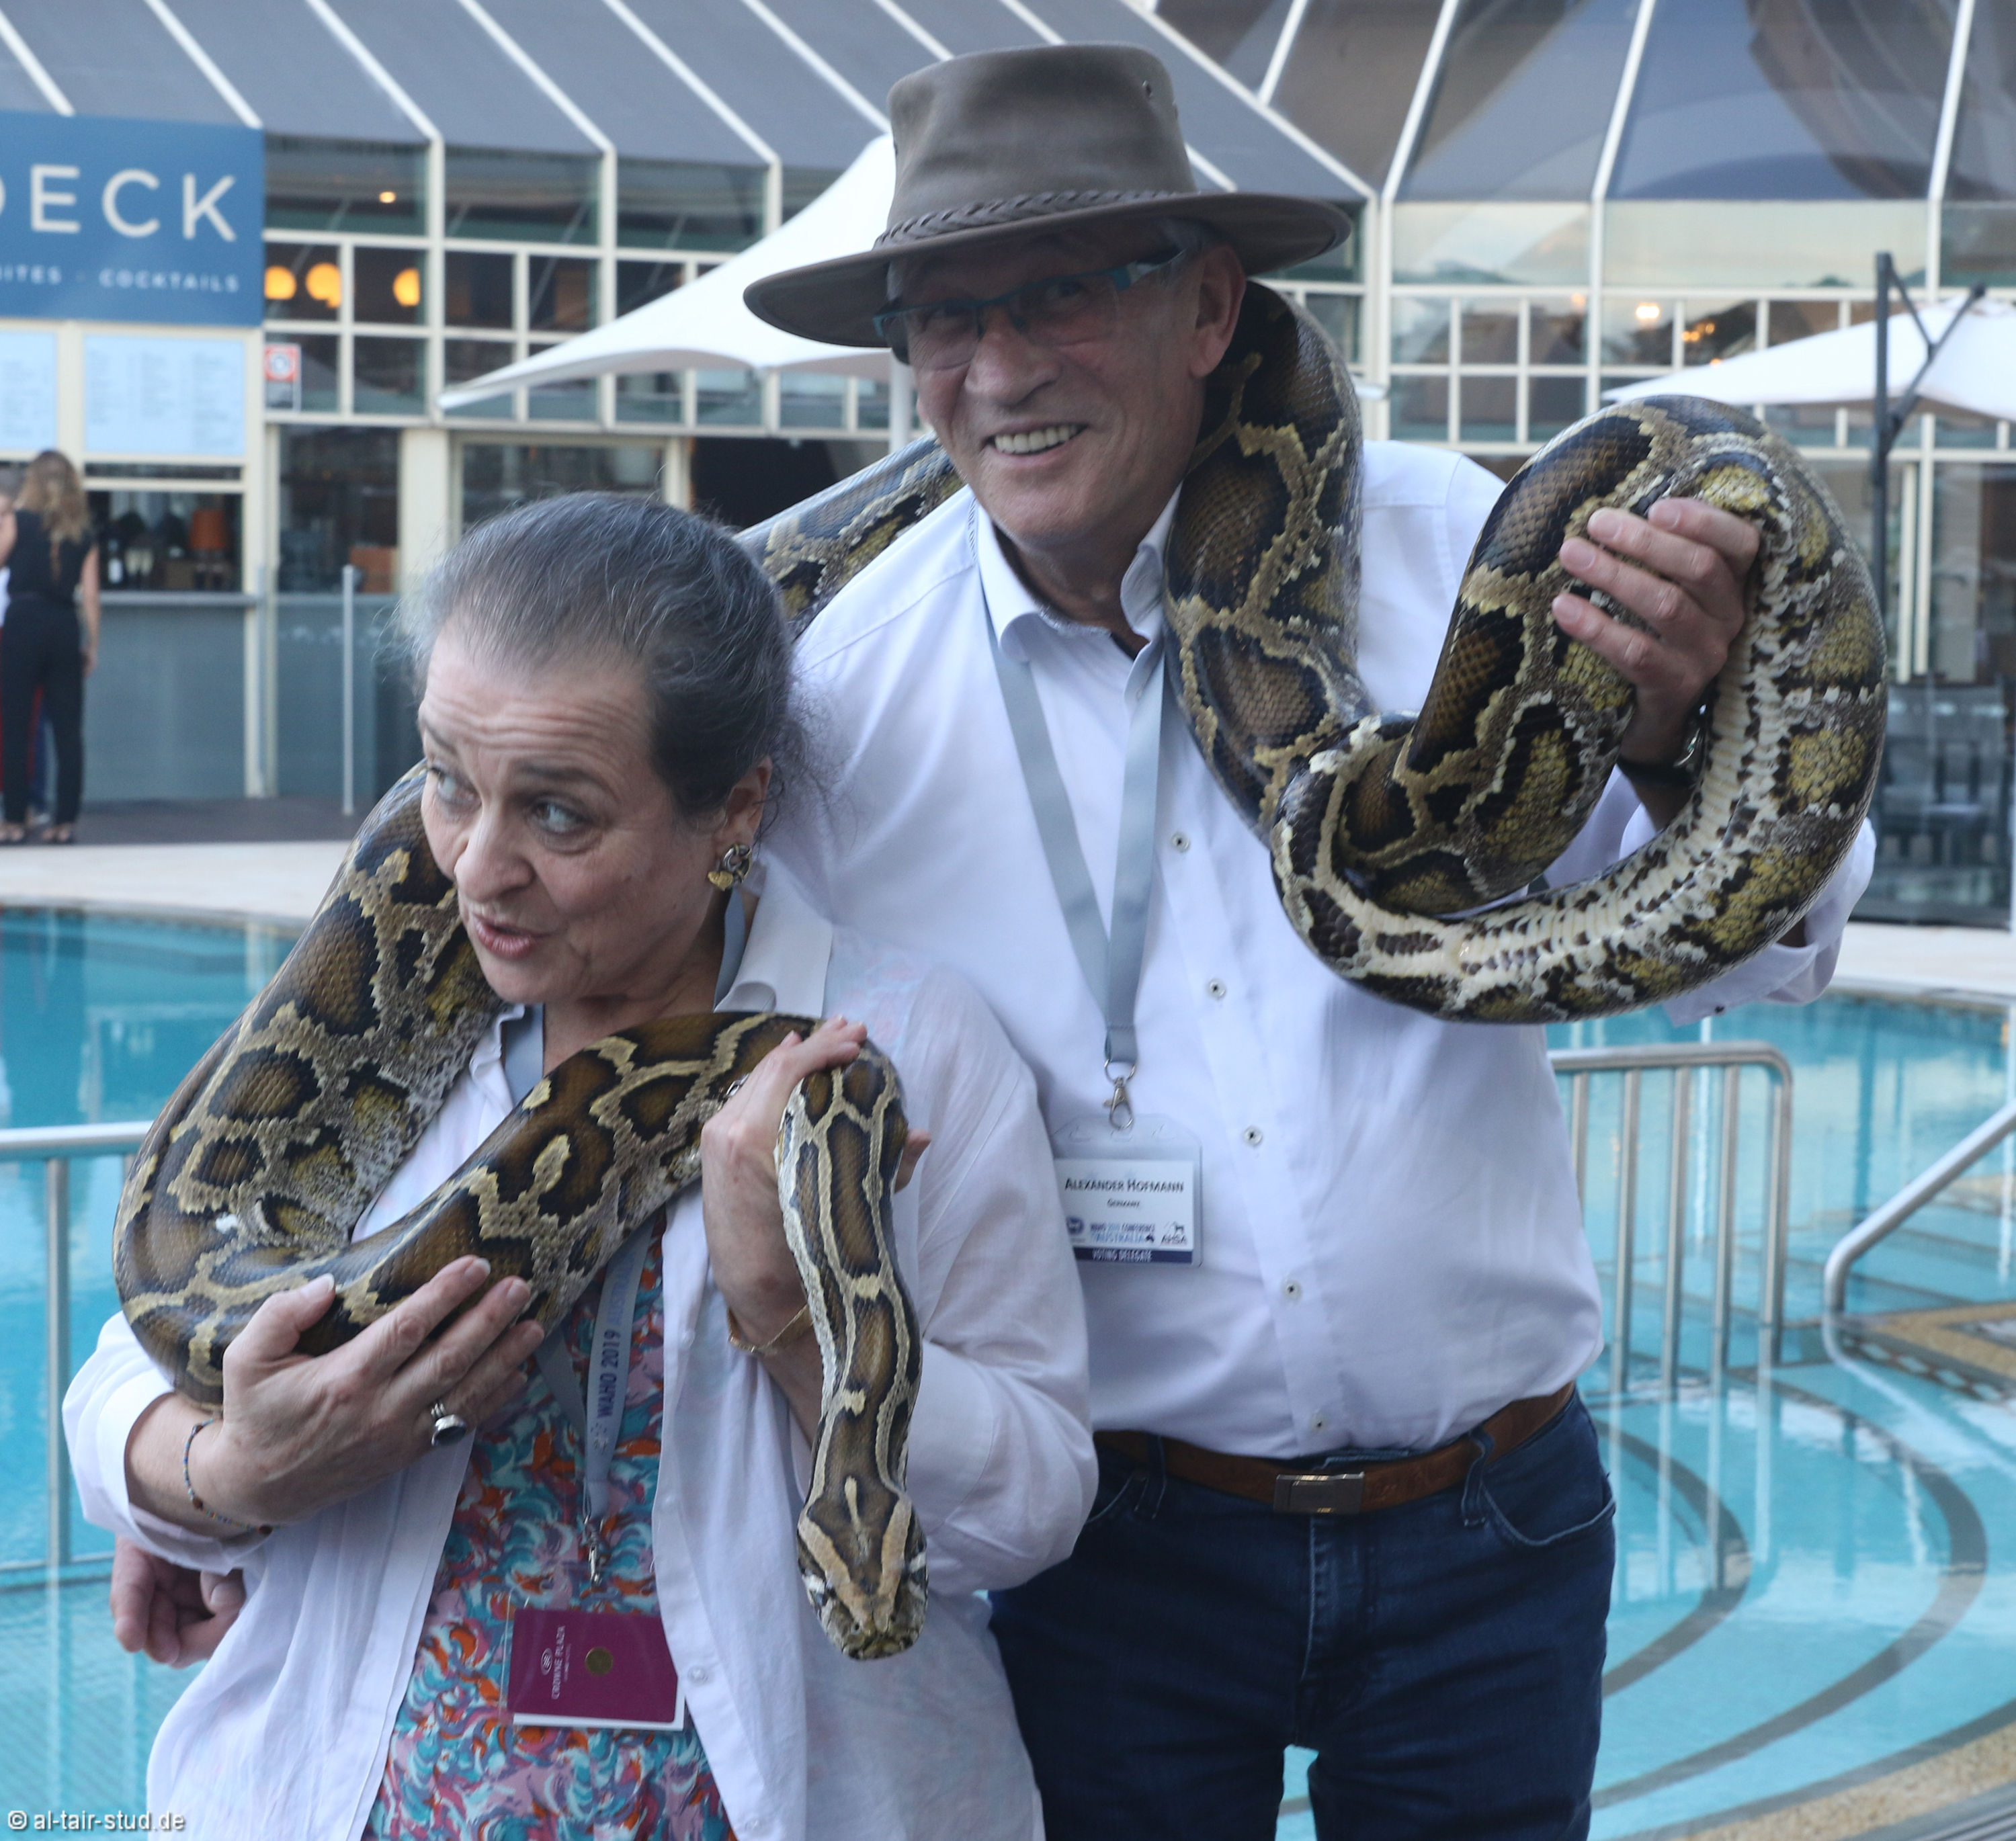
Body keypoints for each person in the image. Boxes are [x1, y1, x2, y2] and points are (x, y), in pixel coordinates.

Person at [740, 45, 1877, 1840]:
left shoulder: (1471, 553)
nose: (998, 369)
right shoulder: (835, 705)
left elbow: (1768, 952)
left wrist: (1672, 740)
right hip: (1109, 1552)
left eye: (1056, 294)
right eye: (943, 316)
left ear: (1209, 309)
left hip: (1491, 1521)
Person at [67, 493, 1094, 1840]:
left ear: (734, 807)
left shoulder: (898, 1047)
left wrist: (792, 1318)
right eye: (446, 782)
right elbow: (125, 1373)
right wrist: (234, 1476)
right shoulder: (374, 1033)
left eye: (558, 814)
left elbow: (1029, 1510)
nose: (478, 871)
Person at [0, 449, 99, 843]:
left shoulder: (18, 521)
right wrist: (92, 644)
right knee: (68, 731)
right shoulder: (85, 534)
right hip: (63, 626)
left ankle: (14, 820)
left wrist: (6, 516)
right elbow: (90, 596)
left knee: (16, 725)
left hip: (22, 624)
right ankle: (64, 822)